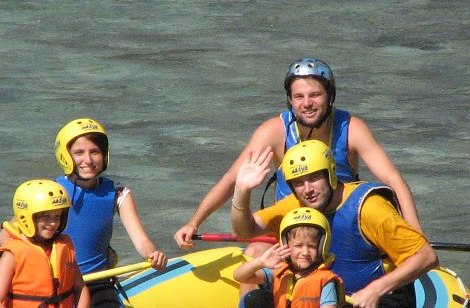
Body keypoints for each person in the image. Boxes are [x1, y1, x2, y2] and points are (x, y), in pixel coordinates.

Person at [174, 57, 423, 248]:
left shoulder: (352, 129)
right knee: (253, 259)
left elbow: (393, 181)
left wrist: (414, 232)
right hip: (291, 229)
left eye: (315, 94)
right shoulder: (274, 131)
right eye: (299, 97)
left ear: (329, 96)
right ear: (290, 101)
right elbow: (231, 180)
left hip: (340, 227)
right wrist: (194, 222)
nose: (307, 103)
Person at [230, 140, 438, 308]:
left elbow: (427, 257)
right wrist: (241, 191)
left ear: (331, 174)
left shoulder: (370, 208)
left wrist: (376, 289)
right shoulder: (299, 205)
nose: (307, 189)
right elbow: (245, 231)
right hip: (326, 303)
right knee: (254, 303)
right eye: (299, 182)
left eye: (314, 178)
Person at [0, 118, 165, 308]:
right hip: (61, 287)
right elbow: (7, 234)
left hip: (98, 286)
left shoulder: (118, 193)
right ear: (66, 156)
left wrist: (153, 254)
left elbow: (141, 240)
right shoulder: (50, 192)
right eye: (78, 152)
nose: (87, 160)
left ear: (104, 154)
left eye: (94, 152)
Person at [0, 179, 92, 308]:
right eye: (45, 217)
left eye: (57, 217)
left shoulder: (64, 246)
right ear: (27, 218)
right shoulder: (13, 254)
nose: (53, 224)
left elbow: (80, 288)